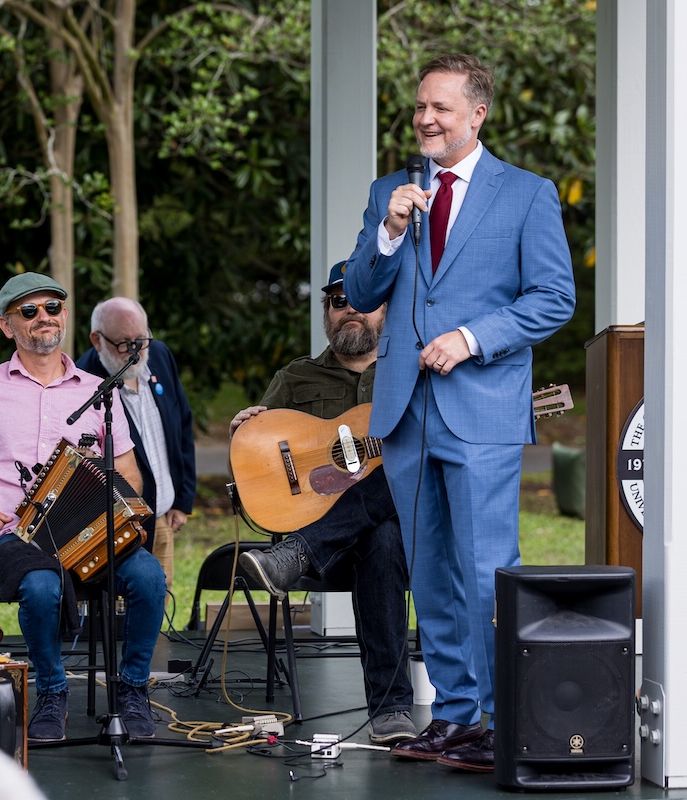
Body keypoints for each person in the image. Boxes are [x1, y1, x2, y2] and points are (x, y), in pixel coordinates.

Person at [341, 53, 576, 771]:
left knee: (483, 571)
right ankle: (452, 715)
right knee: (430, 571)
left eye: (440, 108)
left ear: (478, 113)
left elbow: (553, 298)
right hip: (406, 411)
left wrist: (472, 339)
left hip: (482, 409)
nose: (425, 119)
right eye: (419, 107)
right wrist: (386, 231)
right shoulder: (392, 188)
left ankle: (506, 720)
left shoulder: (527, 194)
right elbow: (358, 287)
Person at [0, 273, 167, 743]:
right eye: (28, 311)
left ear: (65, 316)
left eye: (52, 308)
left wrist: (105, 496)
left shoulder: (99, 391)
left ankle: (133, 688)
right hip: (11, 536)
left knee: (149, 577)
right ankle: (52, 691)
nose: (43, 318)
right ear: (6, 325)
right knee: (40, 586)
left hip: (89, 535)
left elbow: (131, 476)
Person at [231, 262, 416, 746]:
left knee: (390, 517)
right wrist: (245, 432)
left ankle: (296, 555)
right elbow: (258, 458)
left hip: (393, 544)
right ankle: (392, 709)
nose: (350, 309)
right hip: (324, 532)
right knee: (384, 534)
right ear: (326, 312)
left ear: (386, 309)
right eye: (338, 301)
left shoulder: (410, 372)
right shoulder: (296, 377)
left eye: (364, 299)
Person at [76, 297, 196, 593]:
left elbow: (181, 423)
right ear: (97, 340)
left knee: (158, 603)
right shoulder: (83, 380)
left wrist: (182, 499)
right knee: (117, 616)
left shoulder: (160, 355)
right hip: (115, 527)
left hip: (164, 515)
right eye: (124, 344)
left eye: (141, 340)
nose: (135, 352)